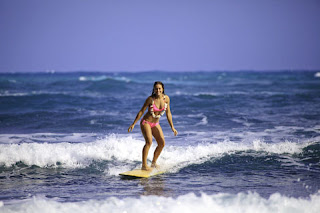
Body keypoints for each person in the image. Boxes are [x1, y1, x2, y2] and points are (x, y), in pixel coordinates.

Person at [128, 81, 178, 171]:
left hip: (155, 123)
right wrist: (133, 123)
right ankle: (144, 165)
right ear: (153, 89)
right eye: (156, 88)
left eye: (159, 88)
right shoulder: (150, 99)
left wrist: (172, 127)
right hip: (146, 122)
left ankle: (154, 163)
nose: (158, 90)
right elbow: (141, 111)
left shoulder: (166, 99)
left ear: (162, 89)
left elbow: (168, 113)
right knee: (149, 142)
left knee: (162, 143)